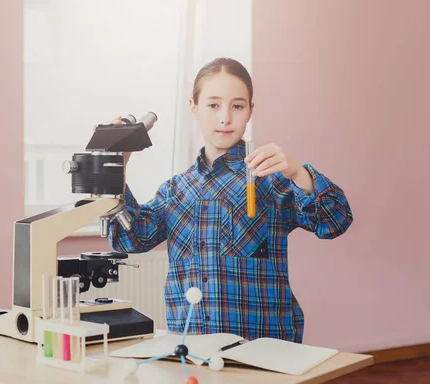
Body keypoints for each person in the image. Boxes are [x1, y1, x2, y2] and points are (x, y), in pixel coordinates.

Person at [107, 57, 353, 343]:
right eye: (213, 105)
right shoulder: (175, 190)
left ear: (250, 111)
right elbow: (130, 239)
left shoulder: (271, 179)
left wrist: (298, 172)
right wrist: (116, 170)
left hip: (265, 348)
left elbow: (336, 221)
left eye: (237, 106)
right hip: (193, 347)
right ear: (193, 107)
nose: (225, 117)